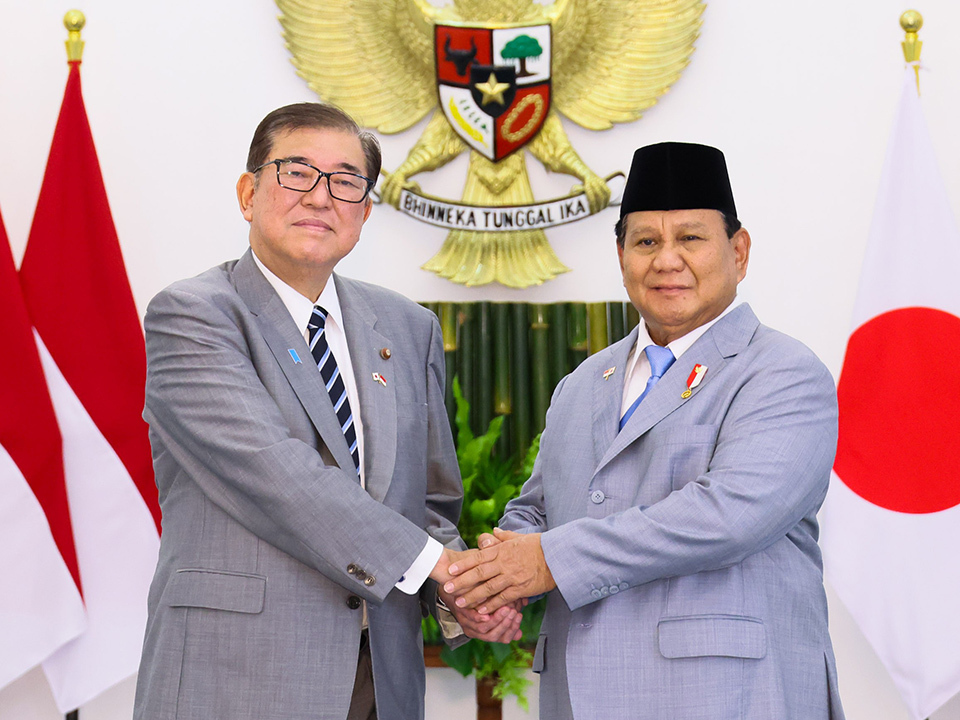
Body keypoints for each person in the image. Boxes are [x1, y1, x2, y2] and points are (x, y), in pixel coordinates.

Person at [132, 103, 519, 720]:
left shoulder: (406, 326)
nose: (320, 197)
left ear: (365, 211)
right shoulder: (193, 316)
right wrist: (442, 567)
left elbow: (427, 505)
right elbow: (276, 478)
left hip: (380, 680)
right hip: (236, 677)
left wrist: (457, 600)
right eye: (296, 172)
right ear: (248, 191)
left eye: (345, 181)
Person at [445, 142, 845, 719]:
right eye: (647, 241)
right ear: (621, 254)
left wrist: (548, 561)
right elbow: (538, 513)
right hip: (579, 696)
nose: (666, 260)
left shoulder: (782, 371)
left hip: (725, 699)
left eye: (690, 238)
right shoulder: (583, 381)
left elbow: (727, 517)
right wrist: (494, 587)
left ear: (739, 251)